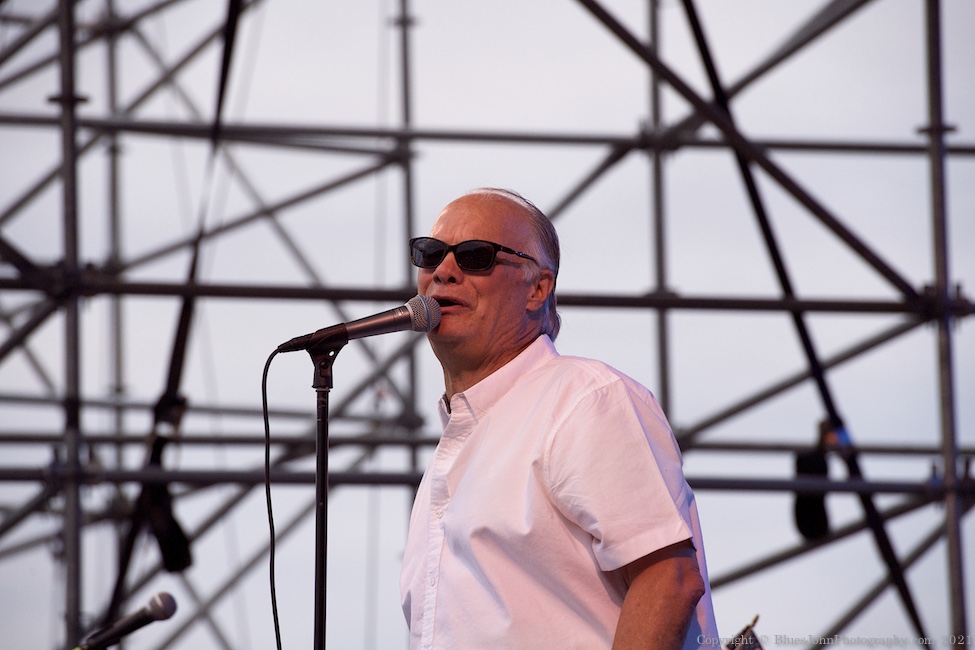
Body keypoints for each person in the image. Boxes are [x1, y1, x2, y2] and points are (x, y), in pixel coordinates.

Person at [400, 187, 719, 649]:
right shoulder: (451, 455)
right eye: (430, 254)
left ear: (538, 289)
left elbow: (669, 579)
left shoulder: (584, 400)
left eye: (475, 256)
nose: (444, 271)